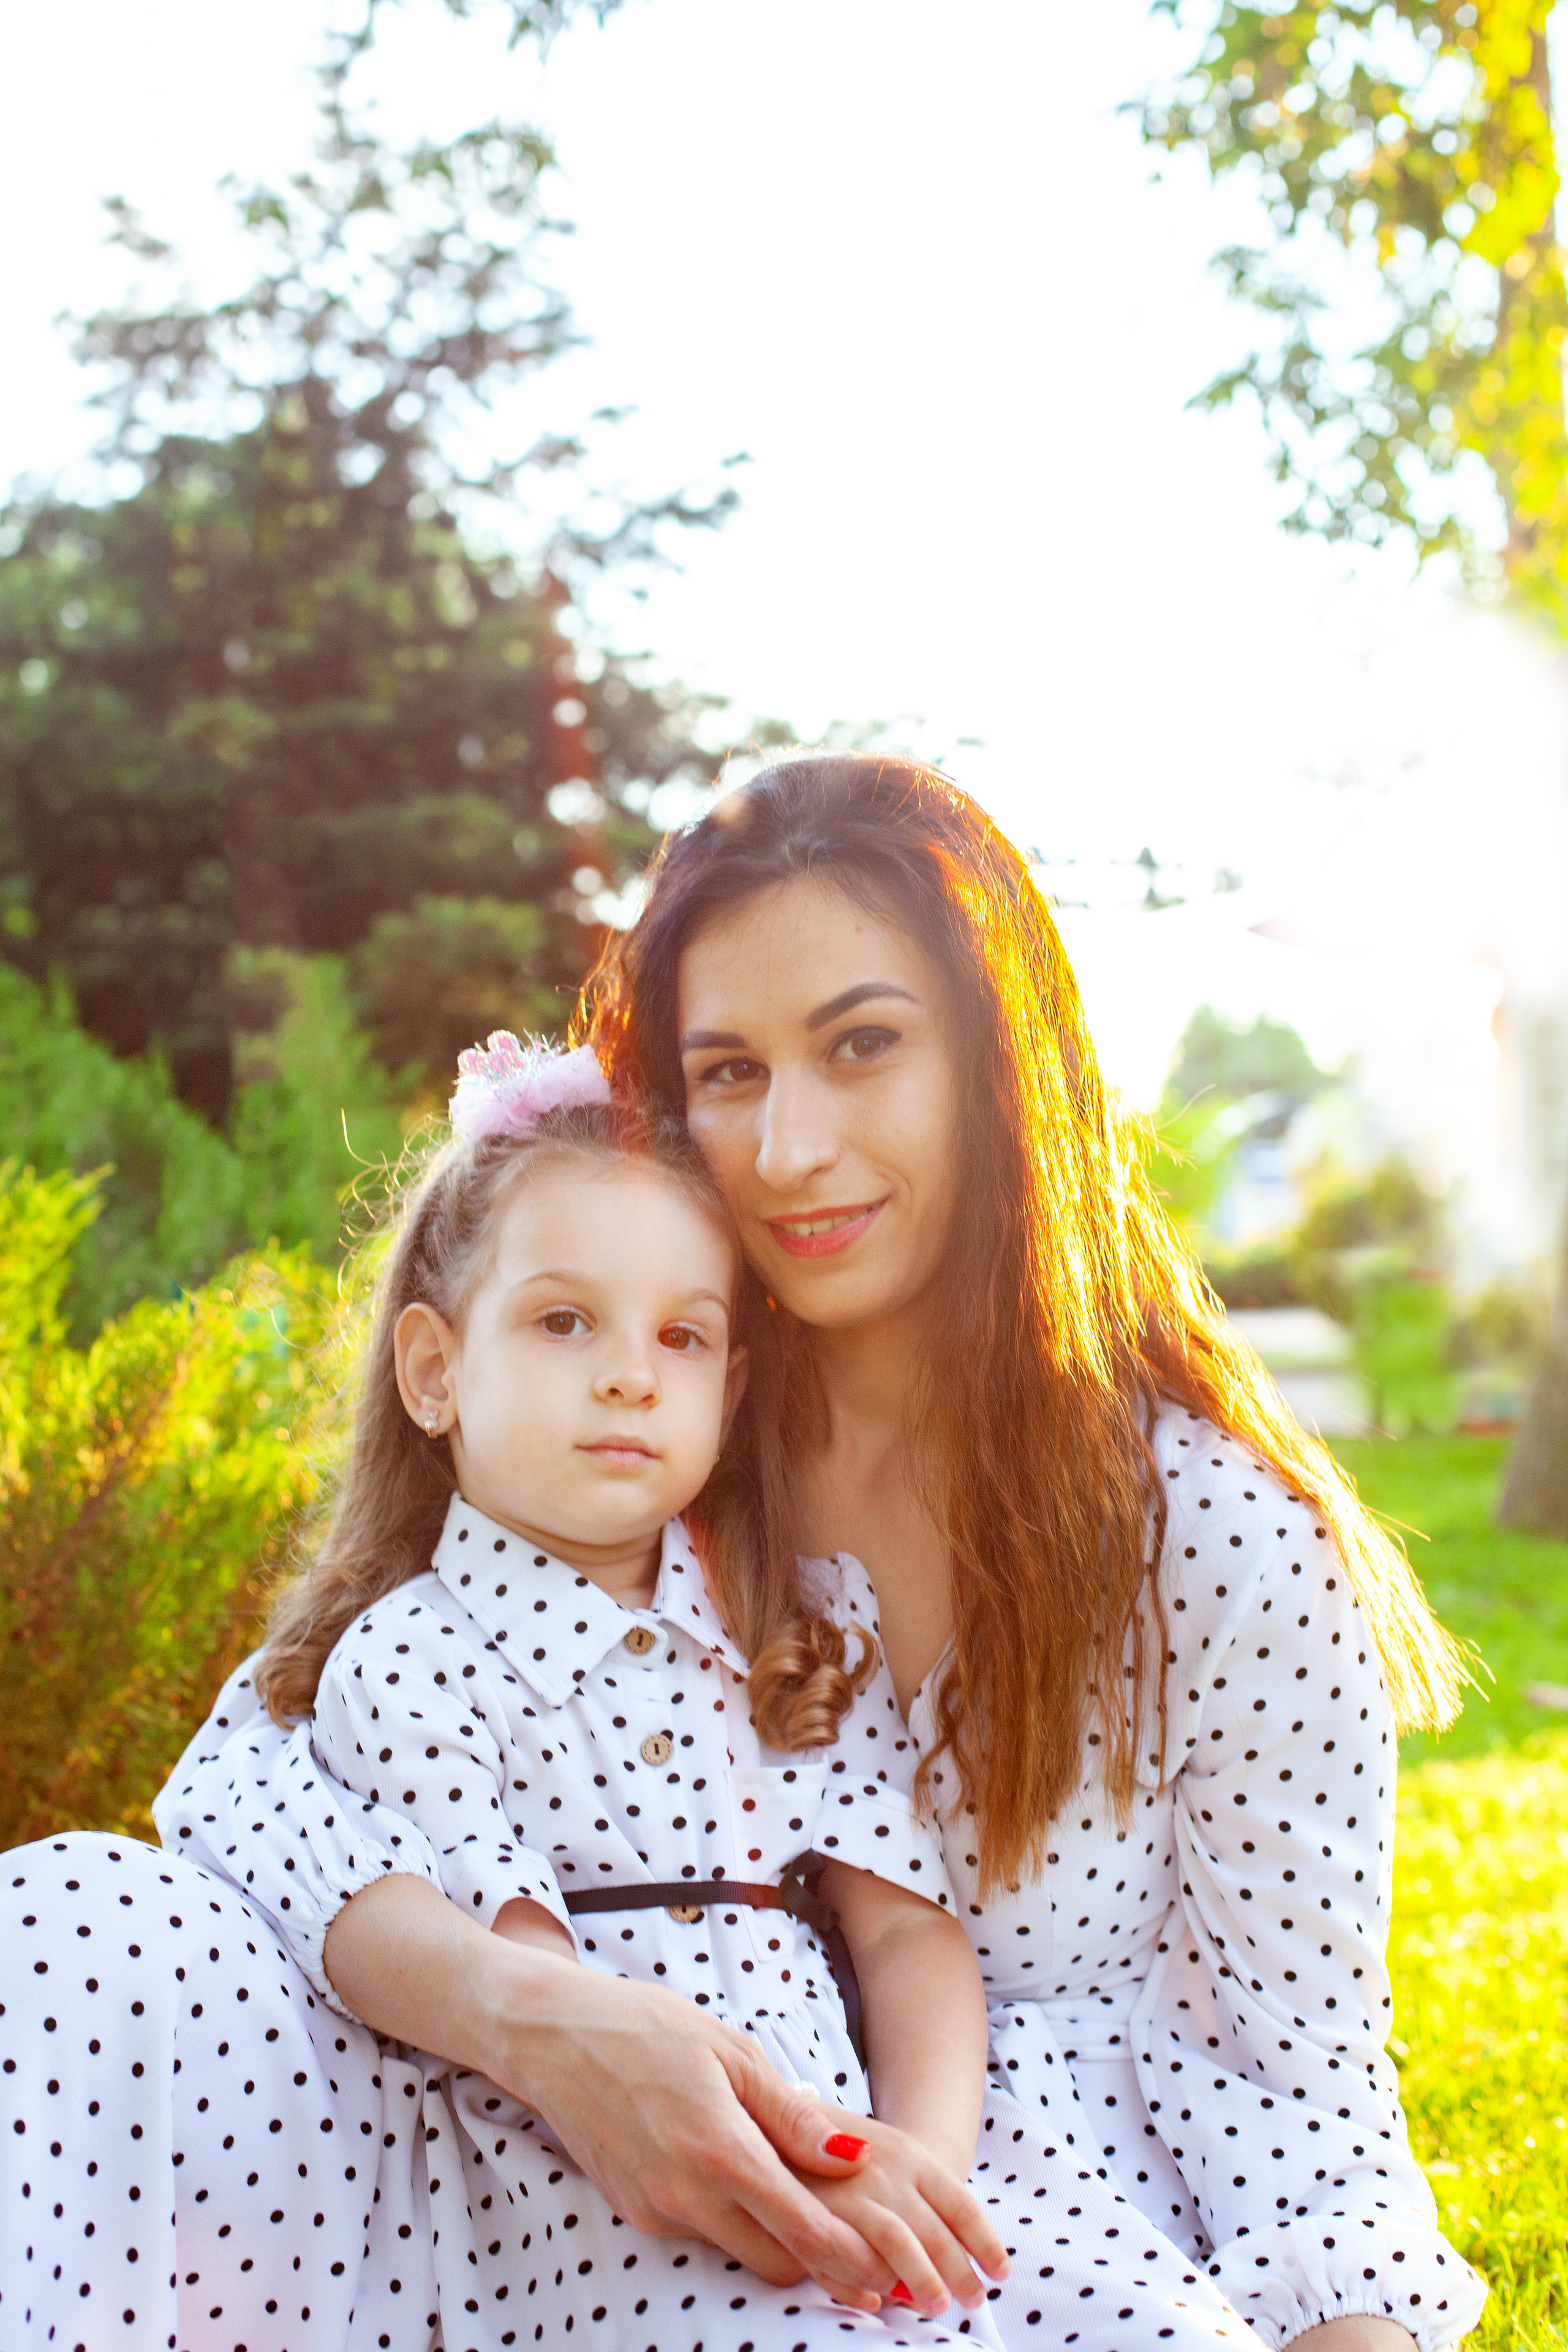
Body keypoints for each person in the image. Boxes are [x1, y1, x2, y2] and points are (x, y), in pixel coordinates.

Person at [4, 752, 1487, 2352]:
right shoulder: (645, 1446)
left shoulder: (1219, 1542)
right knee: (79, 1919)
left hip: (969, 2228)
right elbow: (245, 1782)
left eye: (862, 1046)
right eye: (726, 1072)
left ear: (1002, 1066)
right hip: (507, 2178)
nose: (786, 1149)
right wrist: (542, 2021)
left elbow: (1303, 2087)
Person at [3, 1036, 1031, 2348]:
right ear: (434, 1370)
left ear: (731, 1380)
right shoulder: (408, 1656)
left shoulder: (797, 1633)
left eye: (683, 1333)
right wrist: (772, 2167)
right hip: (580, 2196)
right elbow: (534, 1979)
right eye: (564, 1320)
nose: (627, 1373)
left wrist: (912, 2166)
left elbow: (903, 1933)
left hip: (832, 2167)